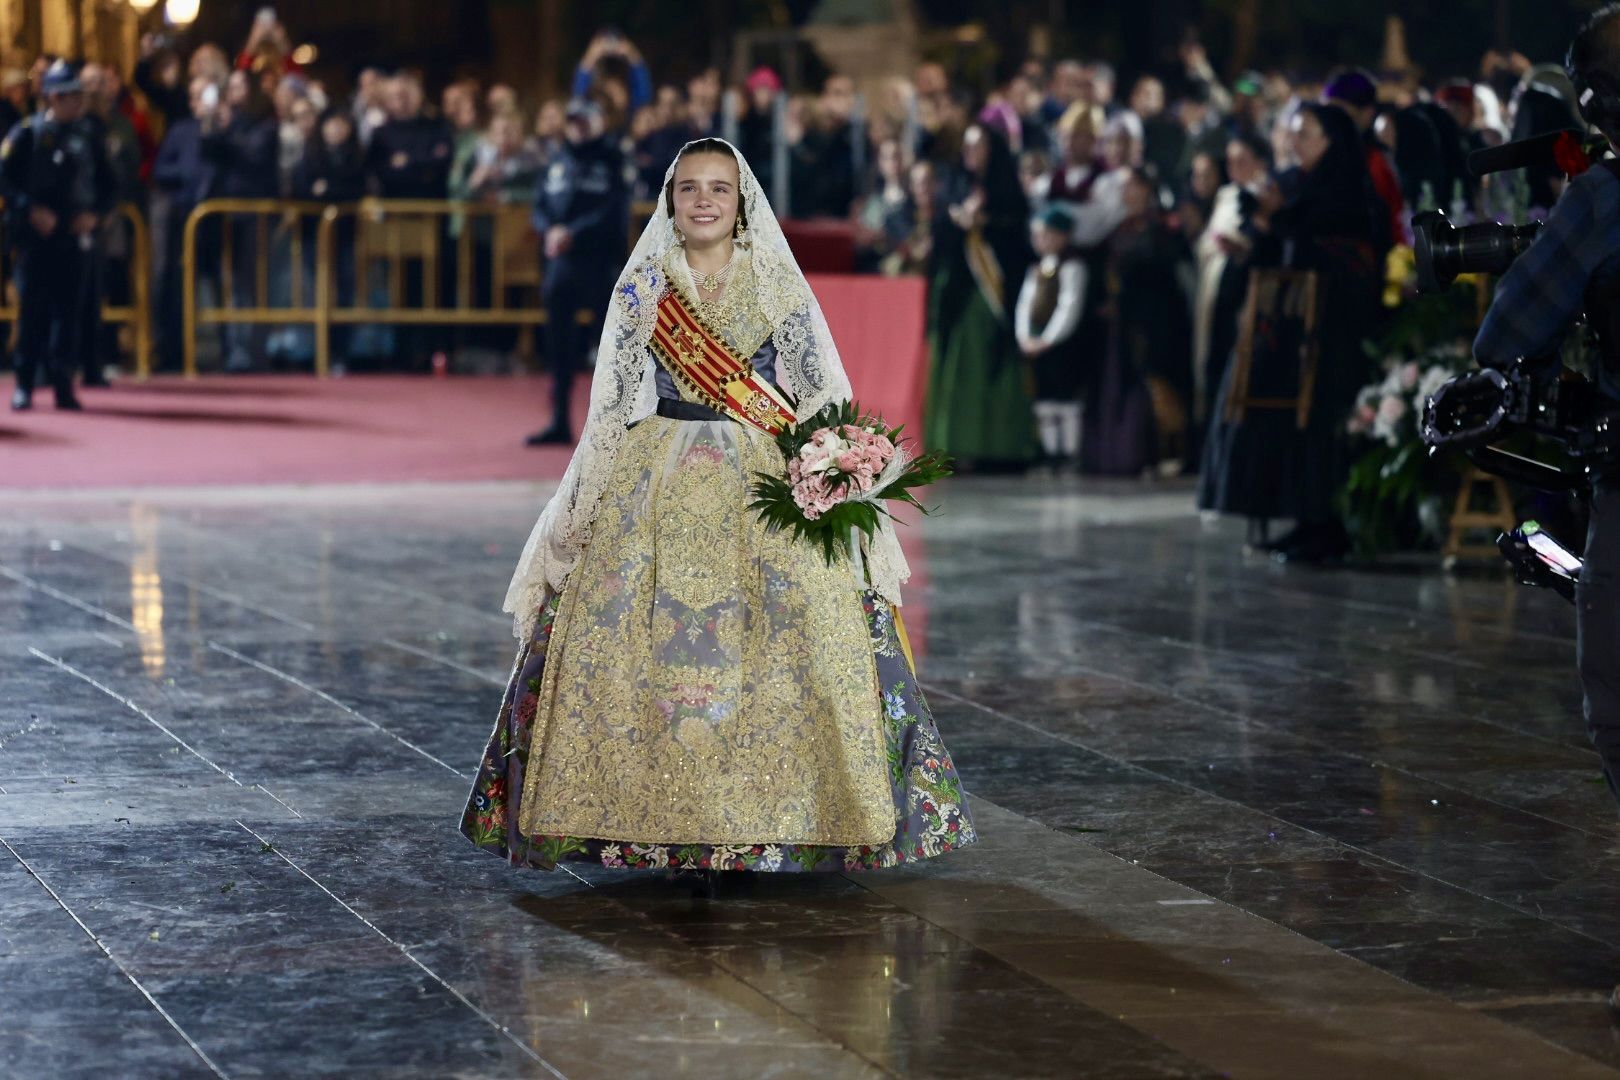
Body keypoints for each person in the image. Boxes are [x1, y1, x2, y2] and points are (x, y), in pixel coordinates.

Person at [459, 136, 974, 880]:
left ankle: (797, 816)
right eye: (690, 188)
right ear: (670, 200)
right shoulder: (643, 288)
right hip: (656, 467)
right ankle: (648, 820)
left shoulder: (775, 283)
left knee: (805, 627)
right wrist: (575, 506)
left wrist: (836, 467)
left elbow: (817, 388)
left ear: (742, 204)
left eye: (719, 190)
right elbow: (608, 406)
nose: (703, 201)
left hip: (760, 476)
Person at [1199, 103, 1383, 560]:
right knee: (1290, 430)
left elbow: (1338, 253)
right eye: (1293, 133)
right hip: (1292, 332)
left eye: (1305, 134)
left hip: (1332, 337)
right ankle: (1302, 518)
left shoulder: (1345, 191)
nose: (1293, 144)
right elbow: (1279, 247)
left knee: (1321, 428)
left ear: (1330, 142)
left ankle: (1327, 525)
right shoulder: (1296, 186)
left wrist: (1283, 224)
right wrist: (1265, 226)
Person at [923, 122, 1041, 469]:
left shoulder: (1007, 193)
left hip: (994, 296)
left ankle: (1001, 446)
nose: (971, 154)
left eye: (979, 147)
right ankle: (957, 444)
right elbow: (940, 235)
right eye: (968, 147)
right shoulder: (955, 187)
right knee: (959, 364)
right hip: (960, 294)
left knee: (994, 363)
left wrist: (985, 223)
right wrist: (959, 223)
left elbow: (1016, 240)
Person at [3, 60, 116, 411]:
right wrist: (29, 210)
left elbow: (110, 185)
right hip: (36, 237)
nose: (75, 103)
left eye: (77, 96)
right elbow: (5, 179)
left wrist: (94, 216)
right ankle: (25, 383)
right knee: (33, 312)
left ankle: (63, 383)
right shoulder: (27, 133)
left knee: (70, 314)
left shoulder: (90, 135)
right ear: (51, 97)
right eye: (67, 96)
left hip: (72, 235)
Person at [525, 100, 627, 446]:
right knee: (558, 344)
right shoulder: (557, 160)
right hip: (561, 265)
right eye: (573, 122)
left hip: (600, 263)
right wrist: (548, 230)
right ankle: (559, 421)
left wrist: (573, 233)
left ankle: (617, 425)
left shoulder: (612, 162)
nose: (577, 128)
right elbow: (538, 204)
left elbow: (613, 210)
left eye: (584, 121)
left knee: (612, 347)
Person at [1016, 204, 1087, 466]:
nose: (1038, 240)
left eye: (1045, 234)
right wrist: (1025, 336)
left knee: (1065, 398)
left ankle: (1069, 453)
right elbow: (1025, 304)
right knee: (1044, 399)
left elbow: (1069, 306)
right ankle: (1050, 452)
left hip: (1062, 346)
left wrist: (1048, 339)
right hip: (1037, 343)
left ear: (1062, 236)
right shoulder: (1037, 267)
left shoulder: (1073, 266)